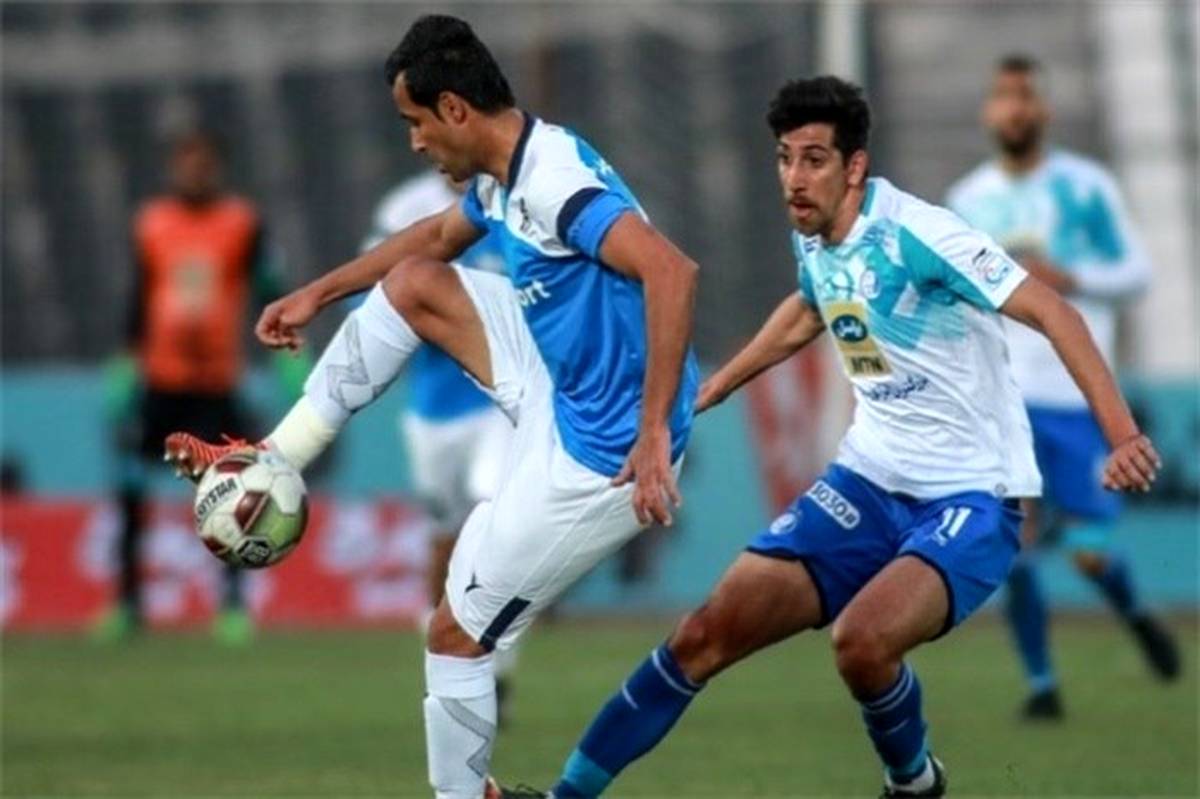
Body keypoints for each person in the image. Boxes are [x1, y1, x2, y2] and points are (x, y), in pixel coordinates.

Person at [498, 76, 1160, 799]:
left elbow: (1054, 310)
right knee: (701, 635)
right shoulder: (814, 234)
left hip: (972, 496)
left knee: (861, 642)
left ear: (855, 166)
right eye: (784, 158)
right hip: (867, 482)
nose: (794, 178)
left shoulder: (920, 235)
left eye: (813, 159)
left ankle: (912, 781)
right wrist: (717, 386)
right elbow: (810, 307)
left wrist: (1121, 435)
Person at [163, 15, 699, 799]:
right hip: (560, 380)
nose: (415, 142)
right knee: (415, 284)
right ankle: (275, 456)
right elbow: (431, 239)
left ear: (454, 109)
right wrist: (318, 292)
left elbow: (672, 272)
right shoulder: (513, 165)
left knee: (454, 633)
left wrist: (651, 432)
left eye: (415, 122)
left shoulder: (551, 183)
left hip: (604, 450)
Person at [946, 54, 1179, 720]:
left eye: (1025, 96)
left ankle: (1134, 612)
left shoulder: (1086, 187)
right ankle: (1042, 685)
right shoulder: (967, 200)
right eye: (1003, 96)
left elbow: (1136, 274)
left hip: (1076, 400)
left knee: (1087, 553)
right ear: (989, 111)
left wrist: (1072, 280)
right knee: (1012, 546)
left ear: (1043, 109)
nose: (1014, 108)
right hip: (1005, 400)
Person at [95, 129, 301, 646]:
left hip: (215, 383)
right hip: (159, 380)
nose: (195, 173)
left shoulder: (242, 222)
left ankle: (232, 605)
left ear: (217, 168)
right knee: (130, 488)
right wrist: (126, 361)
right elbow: (140, 295)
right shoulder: (152, 222)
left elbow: (268, 287)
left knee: (234, 494)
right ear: (174, 168)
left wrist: (287, 356)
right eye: (186, 163)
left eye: (203, 163)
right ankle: (127, 603)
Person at [361, 170, 519, 722]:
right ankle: (444, 656)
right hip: (433, 409)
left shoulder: (520, 200)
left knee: (492, 516)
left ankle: (494, 672)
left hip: (503, 401)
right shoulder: (404, 208)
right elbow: (373, 295)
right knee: (444, 540)